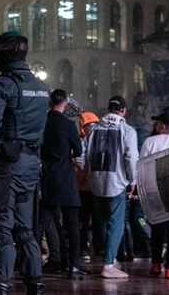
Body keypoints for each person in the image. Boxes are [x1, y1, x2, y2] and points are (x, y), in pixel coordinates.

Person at [0, 31, 50, 295]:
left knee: (1, 230)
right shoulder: (41, 88)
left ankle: (1, 287)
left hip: (3, 168)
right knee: (26, 230)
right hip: (30, 166)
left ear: (3, 53)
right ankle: (35, 285)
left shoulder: (1, 85)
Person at [83, 95, 138, 279]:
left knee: (100, 221)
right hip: (117, 182)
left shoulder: (93, 129)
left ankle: (109, 257)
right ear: (123, 110)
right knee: (116, 223)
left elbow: (81, 154)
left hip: (95, 181)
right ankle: (108, 263)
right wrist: (133, 180)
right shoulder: (127, 130)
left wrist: (87, 172)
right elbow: (131, 158)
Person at [39, 89, 85, 280]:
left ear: (50, 103)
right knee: (72, 225)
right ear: (65, 103)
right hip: (66, 178)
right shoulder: (68, 125)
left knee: (41, 223)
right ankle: (73, 266)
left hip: (48, 179)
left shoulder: (42, 123)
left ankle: (32, 261)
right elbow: (79, 151)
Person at [141, 112, 169, 280]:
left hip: (153, 189)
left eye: (157, 123)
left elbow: (142, 165)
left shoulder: (150, 141)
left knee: (157, 229)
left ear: (164, 125)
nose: (156, 126)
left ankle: (156, 264)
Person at [75, 111, 99, 259]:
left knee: (97, 220)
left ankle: (98, 247)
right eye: (88, 126)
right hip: (82, 188)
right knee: (83, 221)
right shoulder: (78, 142)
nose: (91, 129)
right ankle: (84, 247)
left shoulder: (100, 140)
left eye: (94, 125)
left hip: (96, 186)